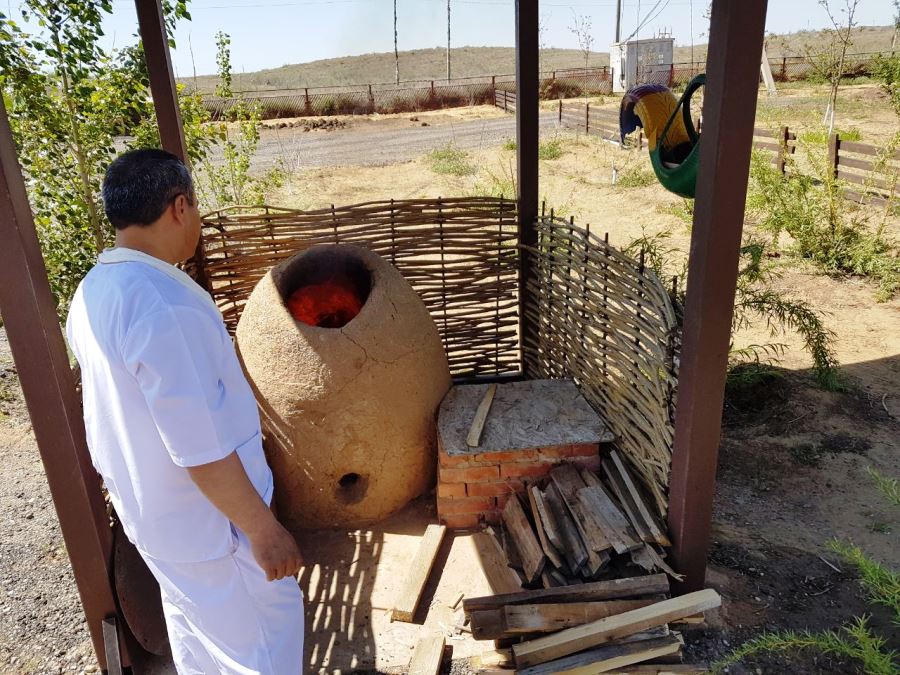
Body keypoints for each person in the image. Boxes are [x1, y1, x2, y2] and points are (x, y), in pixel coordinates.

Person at [66, 148, 305, 674]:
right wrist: (263, 529)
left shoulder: (93, 292)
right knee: (263, 646)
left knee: (197, 636)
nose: (196, 220)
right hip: (214, 527)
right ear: (179, 207)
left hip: (155, 517)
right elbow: (198, 446)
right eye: (195, 208)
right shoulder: (162, 304)